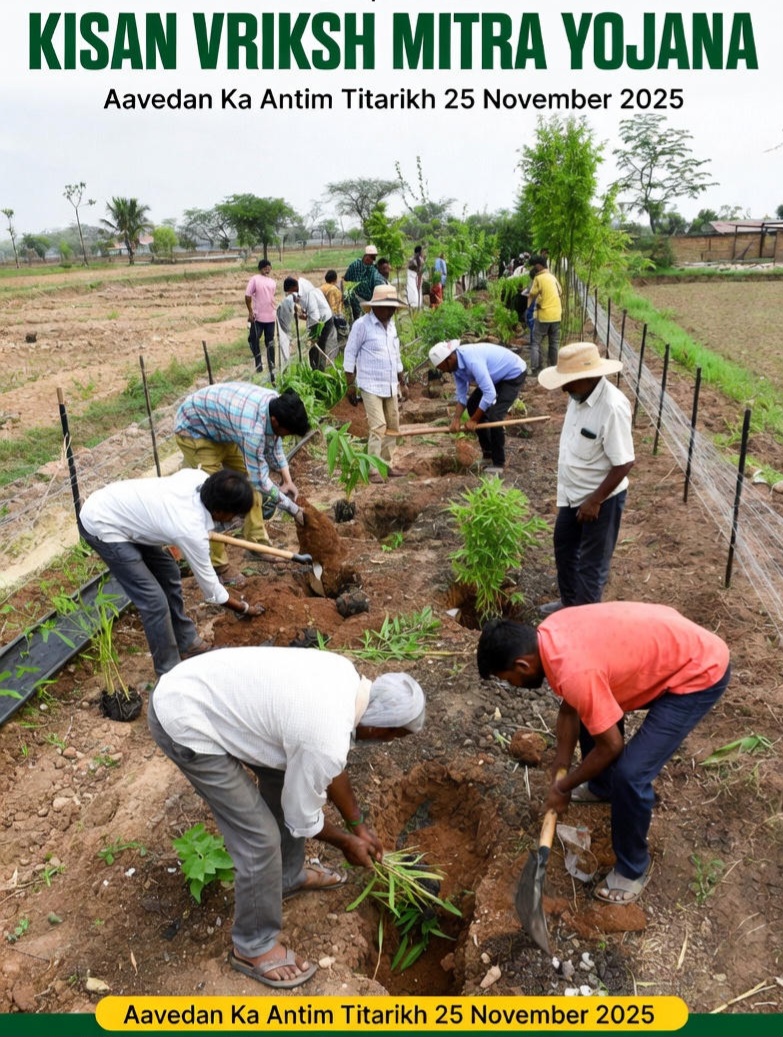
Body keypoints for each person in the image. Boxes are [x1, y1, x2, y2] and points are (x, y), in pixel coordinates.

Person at [147, 647, 426, 988]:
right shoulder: (325, 735)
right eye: (396, 737)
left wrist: (358, 826)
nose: (389, 744)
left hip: (210, 693)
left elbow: (328, 763)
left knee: (283, 781)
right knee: (259, 839)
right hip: (184, 718)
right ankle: (253, 946)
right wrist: (345, 843)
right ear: (384, 730)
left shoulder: (345, 681)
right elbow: (302, 816)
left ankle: (287, 876)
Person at [476, 603, 731, 904]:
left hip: (697, 671)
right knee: (592, 711)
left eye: (508, 680)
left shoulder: (574, 672)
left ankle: (633, 869)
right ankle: (602, 786)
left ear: (522, 665)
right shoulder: (551, 632)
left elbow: (611, 746)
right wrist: (561, 762)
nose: (513, 686)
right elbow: (571, 707)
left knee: (631, 774)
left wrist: (564, 786)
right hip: (669, 643)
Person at [78, 469, 264, 676]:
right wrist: (244, 608)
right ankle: (169, 672)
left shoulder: (199, 479)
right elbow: (212, 590)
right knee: (153, 600)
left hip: (125, 512)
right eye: (234, 514)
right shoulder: (189, 529)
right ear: (219, 511)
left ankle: (187, 642)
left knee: (168, 571)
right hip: (102, 522)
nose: (234, 519)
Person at [175, 383, 309, 582]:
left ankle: (257, 545)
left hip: (224, 429)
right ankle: (219, 565)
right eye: (286, 432)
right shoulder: (252, 432)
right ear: (275, 421)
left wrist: (287, 479)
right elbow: (261, 482)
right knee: (212, 499)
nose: (284, 436)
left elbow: (275, 444)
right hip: (195, 430)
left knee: (247, 486)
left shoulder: (275, 403)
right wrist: (294, 510)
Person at [537, 342, 635, 615]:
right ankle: (569, 605)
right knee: (564, 547)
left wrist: (595, 501)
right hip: (571, 494)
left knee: (592, 566)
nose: (563, 389)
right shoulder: (578, 397)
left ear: (589, 377)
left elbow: (624, 461)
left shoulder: (612, 407)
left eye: (568, 382)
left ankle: (585, 622)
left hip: (602, 499)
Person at [428, 339, 526, 475]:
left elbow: (489, 394)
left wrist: (474, 420)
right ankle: (488, 454)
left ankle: (498, 462)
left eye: (441, 367)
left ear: (449, 359)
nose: (442, 371)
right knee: (473, 404)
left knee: (495, 416)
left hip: (512, 373)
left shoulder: (472, 360)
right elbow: (462, 397)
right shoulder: (455, 369)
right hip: (495, 377)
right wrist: (456, 419)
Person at [343, 285, 409, 482]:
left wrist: (402, 381)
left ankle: (386, 464)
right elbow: (350, 353)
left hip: (390, 383)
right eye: (387, 307)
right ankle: (372, 468)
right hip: (370, 384)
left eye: (393, 308)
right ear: (375, 307)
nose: (391, 311)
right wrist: (350, 384)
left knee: (393, 424)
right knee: (378, 425)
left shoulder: (391, 326)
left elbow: (395, 355)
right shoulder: (362, 325)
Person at [283, 276, 336, 370]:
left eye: (290, 292)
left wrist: (314, 336)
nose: (290, 295)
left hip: (323, 321)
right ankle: (316, 369)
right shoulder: (300, 284)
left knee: (318, 347)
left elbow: (315, 316)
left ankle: (319, 371)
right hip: (318, 317)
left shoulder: (308, 293)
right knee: (314, 350)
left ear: (293, 288)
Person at [527, 254, 562, 375]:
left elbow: (532, 294)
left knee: (536, 342)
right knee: (554, 343)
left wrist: (529, 308)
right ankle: (554, 367)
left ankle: (536, 369)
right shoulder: (552, 277)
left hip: (544, 315)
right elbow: (560, 291)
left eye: (534, 266)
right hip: (557, 314)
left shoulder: (538, 278)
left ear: (538, 265)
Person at [245, 259, 277, 382]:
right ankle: (262, 364)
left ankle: (268, 366)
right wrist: (250, 311)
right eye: (265, 266)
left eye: (269, 266)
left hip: (268, 317)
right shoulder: (255, 279)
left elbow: (270, 297)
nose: (267, 268)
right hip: (258, 317)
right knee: (257, 340)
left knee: (266, 342)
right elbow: (247, 296)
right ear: (260, 268)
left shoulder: (272, 282)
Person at [343, 244, 385, 320]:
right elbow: (346, 278)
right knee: (357, 320)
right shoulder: (355, 265)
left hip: (370, 301)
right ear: (366, 256)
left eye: (374, 258)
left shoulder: (374, 269)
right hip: (356, 300)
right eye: (372, 257)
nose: (373, 260)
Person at [320, 269, 348, 347]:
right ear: (335, 279)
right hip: (332, 318)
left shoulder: (320, 288)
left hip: (321, 317)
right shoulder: (334, 290)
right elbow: (335, 307)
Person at [406, 244, 425, 309]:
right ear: (419, 252)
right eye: (422, 251)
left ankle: (416, 304)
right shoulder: (415, 260)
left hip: (415, 277)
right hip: (412, 277)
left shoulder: (417, 259)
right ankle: (414, 305)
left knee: (415, 291)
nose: (423, 252)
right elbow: (419, 270)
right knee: (413, 291)